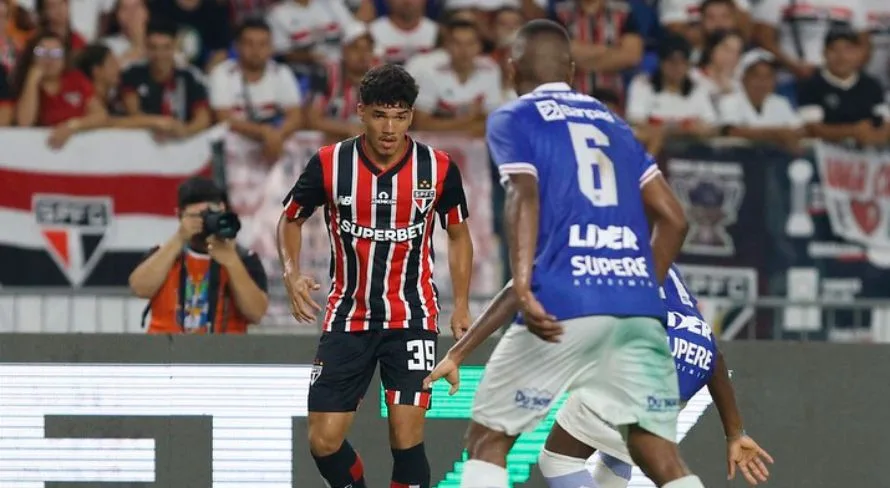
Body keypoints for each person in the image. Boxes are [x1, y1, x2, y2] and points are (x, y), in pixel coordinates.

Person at [459, 19, 698, 488]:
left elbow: (523, 194)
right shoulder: (616, 125)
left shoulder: (514, 117)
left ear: (512, 70)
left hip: (564, 300)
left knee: (489, 439)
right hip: (636, 309)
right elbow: (675, 220)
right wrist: (640, 288)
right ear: (572, 71)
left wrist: (522, 285)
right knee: (657, 452)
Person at [276, 63, 473, 488]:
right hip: (349, 316)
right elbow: (291, 218)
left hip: (412, 316)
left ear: (411, 116)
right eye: (380, 115)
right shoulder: (330, 163)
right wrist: (291, 273)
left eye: (400, 116)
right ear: (361, 111)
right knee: (323, 441)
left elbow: (458, 234)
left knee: (406, 437)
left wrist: (461, 304)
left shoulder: (438, 167)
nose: (389, 128)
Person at [426, 263, 775, 487]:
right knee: (618, 449)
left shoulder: (581, 239)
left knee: (557, 460)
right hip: (690, 362)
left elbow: (517, 291)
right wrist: (735, 433)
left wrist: (457, 354)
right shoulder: (657, 250)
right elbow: (714, 356)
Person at [128, 176, 269, 334]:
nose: (205, 221)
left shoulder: (244, 258)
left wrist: (232, 262)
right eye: (197, 216)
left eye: (212, 214)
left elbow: (256, 313)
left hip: (223, 348)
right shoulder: (164, 253)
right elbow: (140, 289)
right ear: (180, 216)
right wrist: (179, 239)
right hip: (167, 347)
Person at [209, 17, 303, 162]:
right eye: (249, 44)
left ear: (271, 47)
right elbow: (223, 118)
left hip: (275, 139)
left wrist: (276, 135)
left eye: (263, 44)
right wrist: (262, 132)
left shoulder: (281, 72)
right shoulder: (222, 73)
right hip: (237, 141)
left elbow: (295, 115)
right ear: (237, 46)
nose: (256, 50)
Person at [120, 19, 212, 140]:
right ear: (145, 46)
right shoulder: (132, 74)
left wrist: (185, 131)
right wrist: (160, 124)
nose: (159, 55)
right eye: (153, 48)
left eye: (166, 47)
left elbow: (203, 118)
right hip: (141, 142)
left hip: (181, 144)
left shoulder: (189, 77)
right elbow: (133, 113)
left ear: (175, 46)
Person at [13, 32, 108, 148]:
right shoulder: (23, 82)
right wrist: (32, 81)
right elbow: (24, 122)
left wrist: (71, 126)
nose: (49, 59)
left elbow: (101, 115)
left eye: (56, 53)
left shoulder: (76, 79)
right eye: (42, 52)